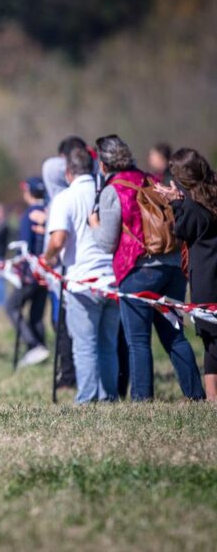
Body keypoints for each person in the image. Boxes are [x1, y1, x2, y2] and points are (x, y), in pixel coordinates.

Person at [89, 134, 204, 401]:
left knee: (138, 341)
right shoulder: (149, 179)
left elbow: (106, 243)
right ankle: (196, 395)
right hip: (173, 266)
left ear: (104, 165)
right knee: (174, 335)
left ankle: (143, 400)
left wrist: (93, 223)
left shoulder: (112, 190)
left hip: (139, 270)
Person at [44, 147, 119, 403]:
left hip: (82, 281)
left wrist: (48, 257)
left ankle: (87, 398)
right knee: (108, 345)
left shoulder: (65, 198)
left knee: (84, 345)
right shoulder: (106, 193)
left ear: (68, 172)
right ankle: (109, 395)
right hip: (113, 280)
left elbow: (58, 238)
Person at [157, 148, 217, 400]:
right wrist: (181, 199)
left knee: (211, 341)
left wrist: (174, 203)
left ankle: (213, 398)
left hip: (207, 278)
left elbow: (180, 232)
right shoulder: (211, 195)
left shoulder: (192, 208)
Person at [7, 177, 50, 367]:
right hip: (46, 272)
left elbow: (24, 247)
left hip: (30, 273)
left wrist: (20, 271)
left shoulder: (28, 214)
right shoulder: (49, 212)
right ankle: (40, 347)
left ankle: (33, 345)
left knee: (11, 306)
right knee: (36, 314)